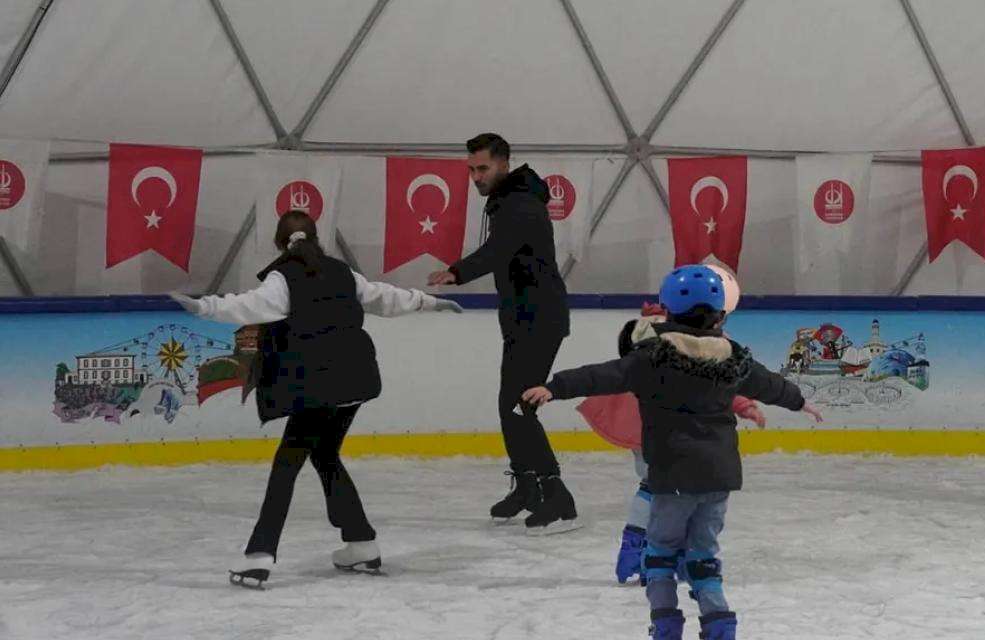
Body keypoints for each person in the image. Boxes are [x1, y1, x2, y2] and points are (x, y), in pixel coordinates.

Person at [522, 265, 823, 640]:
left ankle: (666, 625)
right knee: (703, 556)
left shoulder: (653, 357)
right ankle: (720, 625)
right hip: (719, 478)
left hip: (672, 476)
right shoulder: (734, 358)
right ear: (721, 313)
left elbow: (604, 374)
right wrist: (800, 402)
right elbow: (771, 385)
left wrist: (555, 387)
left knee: (661, 556)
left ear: (667, 309)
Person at [171, 210, 463, 588]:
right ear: (317, 238)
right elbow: (384, 297)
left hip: (319, 386)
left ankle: (259, 555)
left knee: (286, 465)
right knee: (324, 455)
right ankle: (361, 542)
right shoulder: (342, 272)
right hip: (355, 381)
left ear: (280, 243)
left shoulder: (283, 276)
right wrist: (428, 301)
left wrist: (204, 306)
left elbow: (249, 305)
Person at [428, 132, 576, 533]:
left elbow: (498, 251)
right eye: (471, 170)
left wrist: (456, 272)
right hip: (524, 319)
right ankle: (527, 486)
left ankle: (557, 495)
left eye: (483, 168)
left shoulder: (521, 205)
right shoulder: (509, 201)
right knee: (508, 405)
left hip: (538, 319)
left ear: (504, 165)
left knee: (518, 406)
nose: (476, 177)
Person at [575, 301, 766, 586]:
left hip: (644, 422)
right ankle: (651, 547)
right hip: (668, 425)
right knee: (667, 487)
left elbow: (619, 371)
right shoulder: (693, 339)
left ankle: (642, 545)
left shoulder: (646, 332)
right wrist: (745, 405)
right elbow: (717, 378)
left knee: (655, 485)